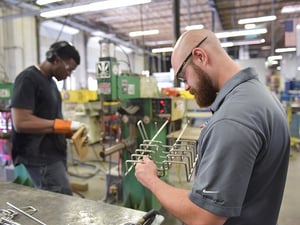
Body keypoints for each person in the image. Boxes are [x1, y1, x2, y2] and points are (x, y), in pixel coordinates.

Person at [135, 29, 290, 225]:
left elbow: (204, 217)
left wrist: (151, 180)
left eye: (183, 76)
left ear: (200, 56)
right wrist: (217, 138)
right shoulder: (258, 97)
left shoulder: (232, 119)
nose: (186, 87)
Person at [11, 41, 83, 195]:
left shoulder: (50, 83)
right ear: (56, 60)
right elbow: (21, 121)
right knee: (59, 202)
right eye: (69, 69)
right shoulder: (28, 79)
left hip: (53, 154)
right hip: (39, 157)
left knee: (61, 197)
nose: (69, 74)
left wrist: (70, 131)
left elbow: (49, 118)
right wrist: (62, 125)